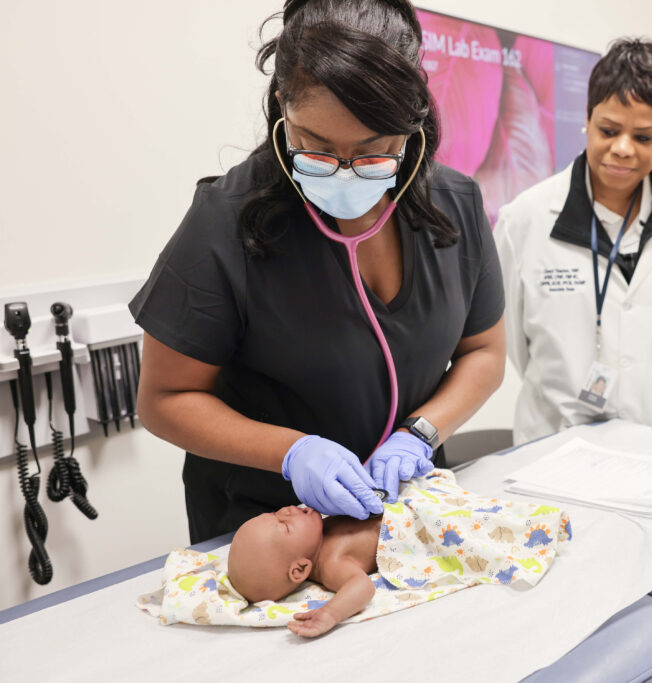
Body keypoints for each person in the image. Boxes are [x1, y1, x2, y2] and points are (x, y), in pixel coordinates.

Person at [131, 0, 505, 544]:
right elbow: (164, 400)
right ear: (283, 105)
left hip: (402, 519)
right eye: (317, 147)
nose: (344, 173)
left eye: (375, 150)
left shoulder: (456, 203)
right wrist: (291, 452)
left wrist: (420, 435)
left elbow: (485, 353)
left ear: (412, 121)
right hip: (268, 535)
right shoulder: (226, 221)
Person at [494, 38, 652, 445]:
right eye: (608, 130)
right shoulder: (523, 220)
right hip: (560, 447)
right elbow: (514, 347)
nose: (622, 150)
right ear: (587, 118)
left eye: (645, 137)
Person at [227, 470, 572, 637]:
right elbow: (362, 588)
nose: (287, 510)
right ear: (300, 570)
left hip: (410, 502)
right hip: (419, 527)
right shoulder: (330, 564)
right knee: (479, 528)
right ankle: (540, 528)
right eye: (284, 525)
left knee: (466, 506)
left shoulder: (320, 524)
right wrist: (330, 613)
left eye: (275, 513)